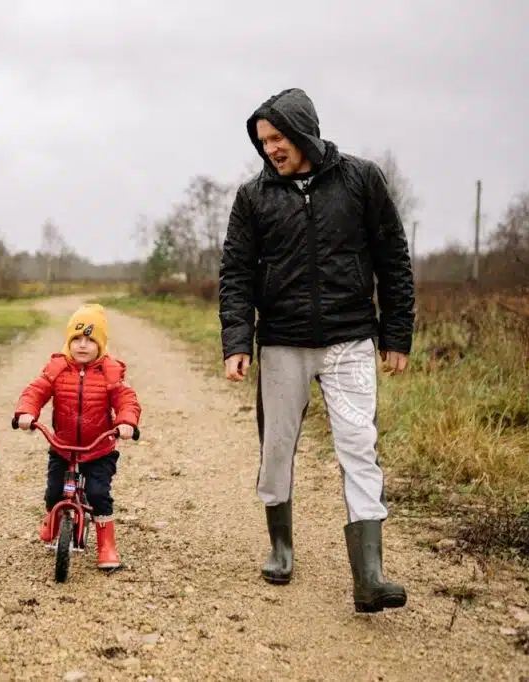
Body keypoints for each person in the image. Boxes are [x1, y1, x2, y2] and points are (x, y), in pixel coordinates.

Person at [218, 87, 415, 612]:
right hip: (283, 341)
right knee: (277, 448)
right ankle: (281, 546)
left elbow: (393, 256)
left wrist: (397, 332)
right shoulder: (252, 197)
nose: (271, 150)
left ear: (304, 131)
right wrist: (237, 341)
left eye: (278, 138)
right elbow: (236, 274)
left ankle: (369, 576)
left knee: (358, 445)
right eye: (263, 142)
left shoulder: (361, 179)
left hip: (351, 337)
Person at [14, 303, 141, 571]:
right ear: (68, 342)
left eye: (90, 340)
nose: (82, 345)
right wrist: (26, 413)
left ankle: (106, 545)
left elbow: (126, 399)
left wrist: (126, 421)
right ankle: (53, 521)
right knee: (53, 492)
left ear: (101, 345)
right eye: (77, 339)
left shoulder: (110, 372)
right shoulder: (57, 369)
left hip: (99, 449)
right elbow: (35, 392)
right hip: (63, 446)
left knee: (98, 494)